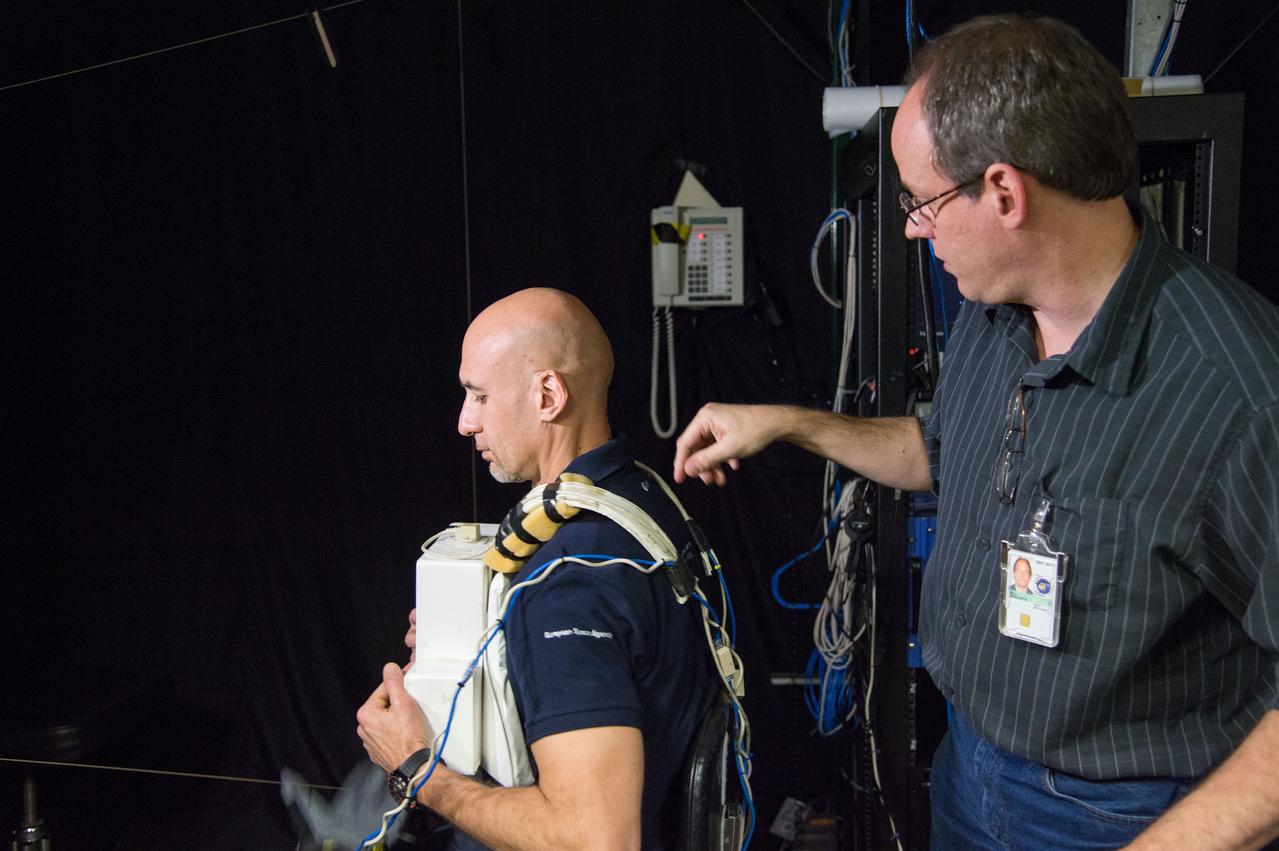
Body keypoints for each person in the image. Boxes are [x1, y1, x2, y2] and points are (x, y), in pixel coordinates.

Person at [673, 14, 1279, 850]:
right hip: (969, 770)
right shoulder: (997, 319)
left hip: (1123, 815)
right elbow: (941, 453)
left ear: (1003, 192)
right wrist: (788, 424)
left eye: (921, 201)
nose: (913, 228)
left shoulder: (1238, 387)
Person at [357, 287, 719, 850]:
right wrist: (491, 639)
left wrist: (418, 771)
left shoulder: (566, 584)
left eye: (477, 396)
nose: (463, 423)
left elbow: (597, 841)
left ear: (547, 395)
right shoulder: (639, 497)